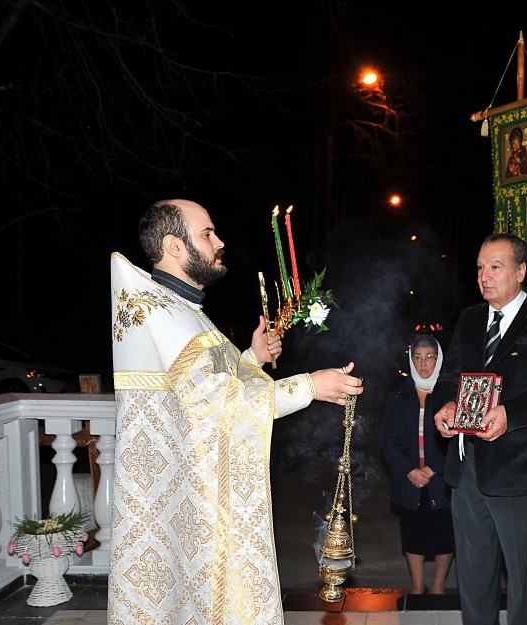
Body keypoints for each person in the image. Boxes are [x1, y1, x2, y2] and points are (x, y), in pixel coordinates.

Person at [108, 199, 364, 625]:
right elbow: (215, 405)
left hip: (193, 495)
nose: (219, 241)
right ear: (174, 245)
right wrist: (309, 386)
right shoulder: (159, 311)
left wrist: (252, 358)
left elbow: (205, 390)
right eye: (207, 234)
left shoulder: (185, 310)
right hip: (181, 502)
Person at [432, 232, 527, 625]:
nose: (484, 276)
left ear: (520, 272)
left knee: (523, 580)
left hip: (518, 470)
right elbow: (449, 378)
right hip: (465, 468)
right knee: (474, 576)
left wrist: (509, 415)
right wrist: (445, 404)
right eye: (480, 268)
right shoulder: (468, 319)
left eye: (495, 267)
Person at [380, 334, 454, 595]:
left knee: (445, 533)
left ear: (439, 359)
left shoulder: (449, 394)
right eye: (418, 357)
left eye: (430, 357)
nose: (424, 364)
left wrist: (434, 469)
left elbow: (456, 439)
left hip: (441, 478)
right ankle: (417, 585)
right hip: (408, 478)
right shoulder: (399, 395)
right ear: (411, 360)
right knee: (413, 532)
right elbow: (387, 438)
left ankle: (437, 586)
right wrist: (409, 470)